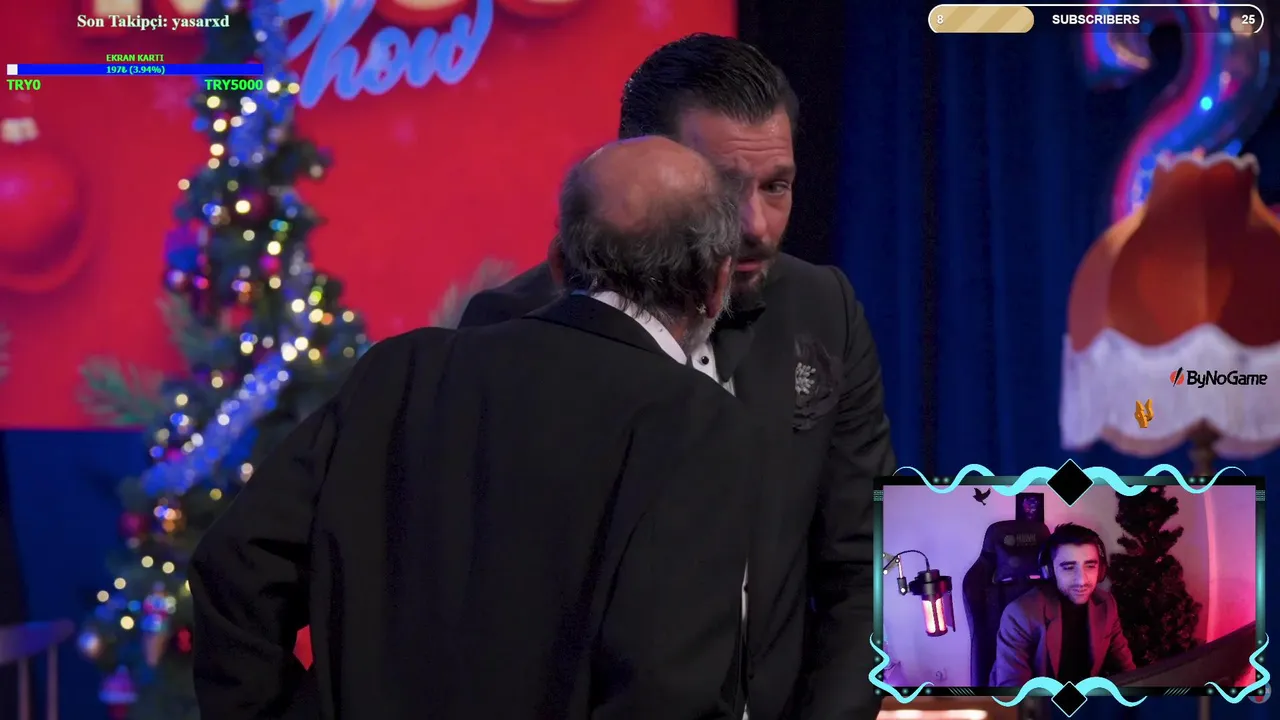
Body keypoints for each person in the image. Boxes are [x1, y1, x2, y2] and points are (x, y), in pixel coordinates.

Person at [189, 136, 765, 719]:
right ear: (717, 284)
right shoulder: (697, 423)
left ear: (558, 263)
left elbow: (237, 566)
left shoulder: (403, 374)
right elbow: (664, 694)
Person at [459, 34, 895, 719]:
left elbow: (865, 565)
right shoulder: (511, 327)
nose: (755, 226)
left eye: (776, 186)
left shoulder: (823, 309)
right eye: (722, 189)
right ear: (642, 172)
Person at [989, 523, 1136, 687]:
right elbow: (1013, 691)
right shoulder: (1021, 614)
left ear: (1101, 570)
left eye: (1090, 566)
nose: (1081, 580)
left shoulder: (1106, 604)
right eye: (1068, 568)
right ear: (1049, 571)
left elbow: (1128, 672)